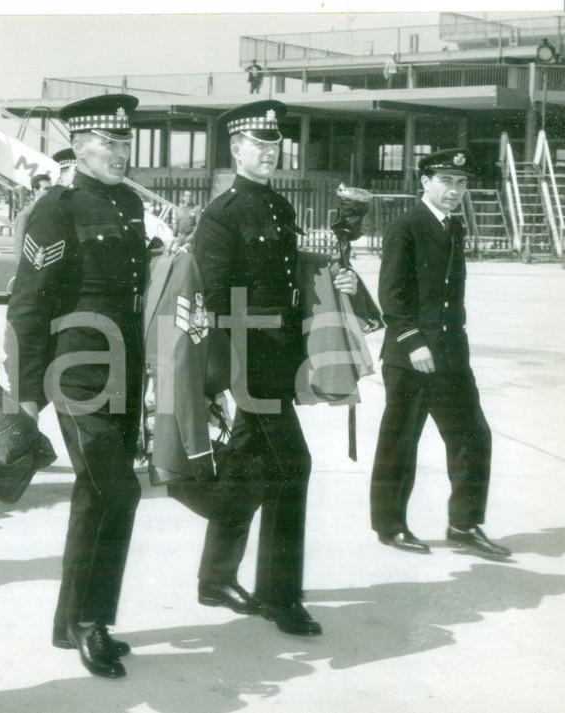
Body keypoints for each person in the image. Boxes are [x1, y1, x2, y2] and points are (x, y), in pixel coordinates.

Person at [192, 100, 357, 637]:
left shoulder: (280, 207)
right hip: (247, 365)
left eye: (274, 144)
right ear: (235, 149)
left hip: (279, 359)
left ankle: (215, 578)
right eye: (259, 145)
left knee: (245, 470)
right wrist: (220, 381)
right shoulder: (221, 215)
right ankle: (280, 596)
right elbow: (214, 301)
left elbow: (290, 276)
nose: (270, 153)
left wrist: (337, 277)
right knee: (293, 466)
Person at [6, 94, 147, 679]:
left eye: (124, 142)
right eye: (108, 143)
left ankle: (73, 621)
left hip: (124, 367)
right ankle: (92, 623)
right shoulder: (56, 209)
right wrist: (27, 394)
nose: (119, 152)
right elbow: (28, 305)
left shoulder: (130, 203)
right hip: (77, 370)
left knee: (96, 492)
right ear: (78, 144)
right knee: (119, 491)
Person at [370, 149, 510, 558]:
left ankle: (464, 524)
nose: (454, 190)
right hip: (411, 357)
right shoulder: (407, 225)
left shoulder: (453, 227)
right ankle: (390, 526)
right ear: (425, 182)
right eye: (446, 181)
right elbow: (392, 295)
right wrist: (413, 342)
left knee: (473, 436)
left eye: (461, 182)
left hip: (450, 354)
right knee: (401, 441)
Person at [13, 173, 52, 260]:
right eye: (46, 189)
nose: (50, 192)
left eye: (51, 189)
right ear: (35, 190)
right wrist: (23, 272)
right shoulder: (25, 215)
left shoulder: (52, 212)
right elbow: (19, 245)